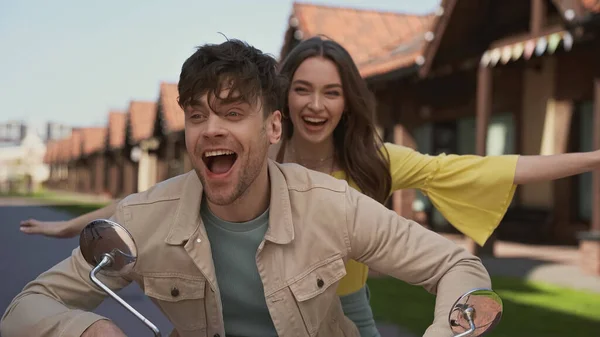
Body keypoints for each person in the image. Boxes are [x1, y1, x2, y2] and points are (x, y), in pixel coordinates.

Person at [18, 36, 600, 337]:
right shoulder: (156, 209)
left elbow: (472, 208)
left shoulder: (351, 185)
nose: (211, 129)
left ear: (271, 126)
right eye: (196, 115)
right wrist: (87, 324)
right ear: (286, 110)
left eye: (232, 112)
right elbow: (38, 298)